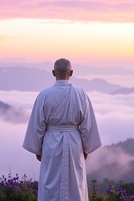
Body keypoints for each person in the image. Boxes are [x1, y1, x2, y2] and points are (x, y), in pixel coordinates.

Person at [23, 58, 102, 201]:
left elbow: (37, 125)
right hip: (74, 144)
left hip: (50, 144)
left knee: (50, 183)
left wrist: (38, 149)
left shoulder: (44, 95)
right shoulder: (81, 94)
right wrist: (86, 148)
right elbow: (87, 124)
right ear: (71, 72)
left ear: (53, 73)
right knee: (75, 184)